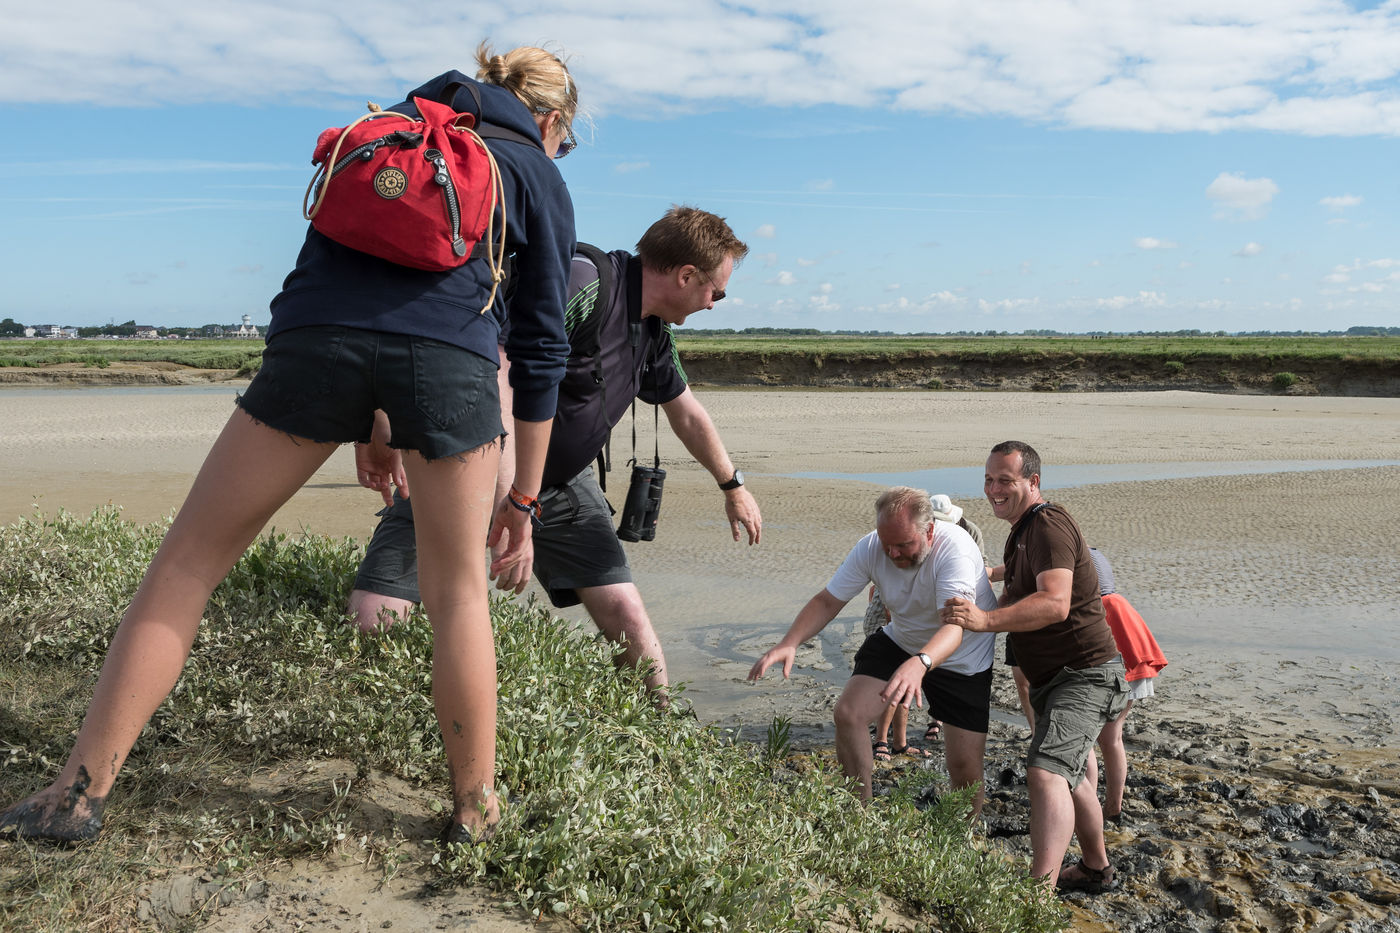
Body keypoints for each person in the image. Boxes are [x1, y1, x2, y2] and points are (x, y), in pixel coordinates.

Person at [0, 43, 580, 847]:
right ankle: (476, 816)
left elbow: (365, 284)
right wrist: (524, 497)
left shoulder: (395, 123)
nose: (562, 152)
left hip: (312, 338)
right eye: (567, 139)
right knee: (457, 596)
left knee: (188, 563)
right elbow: (542, 346)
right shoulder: (535, 169)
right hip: (450, 364)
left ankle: (74, 796)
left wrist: (372, 419)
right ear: (551, 120)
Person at [347, 206, 760, 695]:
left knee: (627, 615)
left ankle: (659, 727)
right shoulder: (583, 283)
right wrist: (509, 499)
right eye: (717, 292)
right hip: (464, 468)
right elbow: (494, 372)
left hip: (563, 482)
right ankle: (379, 720)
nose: (714, 304)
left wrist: (731, 485)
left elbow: (685, 411)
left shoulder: (651, 328)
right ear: (686, 275)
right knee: (373, 623)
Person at [941, 441, 1128, 893]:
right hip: (1054, 680)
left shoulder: (1047, 524)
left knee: (1045, 772)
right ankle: (1095, 868)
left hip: (1084, 675)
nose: (993, 489)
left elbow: (1055, 603)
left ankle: (1036, 894)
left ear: (1033, 482)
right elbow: (1022, 583)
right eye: (988, 479)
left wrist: (985, 620)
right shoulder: (1023, 529)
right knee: (1073, 773)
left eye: (1005, 480)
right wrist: (989, 581)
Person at [749, 487, 997, 816]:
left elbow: (955, 627)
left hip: (963, 655)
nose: (892, 554)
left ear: (930, 530)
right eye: (887, 544)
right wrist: (789, 642)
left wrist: (920, 663)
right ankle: (858, 818)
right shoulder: (871, 546)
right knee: (848, 713)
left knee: (964, 765)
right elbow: (828, 600)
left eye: (904, 545)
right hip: (901, 638)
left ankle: (962, 838)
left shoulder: (956, 550)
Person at [864, 494, 985, 761]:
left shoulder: (966, 534)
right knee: (896, 680)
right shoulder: (907, 538)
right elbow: (883, 593)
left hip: (931, 625)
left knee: (925, 673)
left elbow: (975, 575)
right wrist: (894, 625)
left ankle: (923, 728)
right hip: (899, 622)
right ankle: (883, 739)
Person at [1089, 548, 1166, 825]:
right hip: (1132, 656)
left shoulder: (1096, 603)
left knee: (1096, 738)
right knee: (1112, 738)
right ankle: (1112, 807)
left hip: (1119, 660)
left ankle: (1101, 807)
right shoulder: (1095, 558)